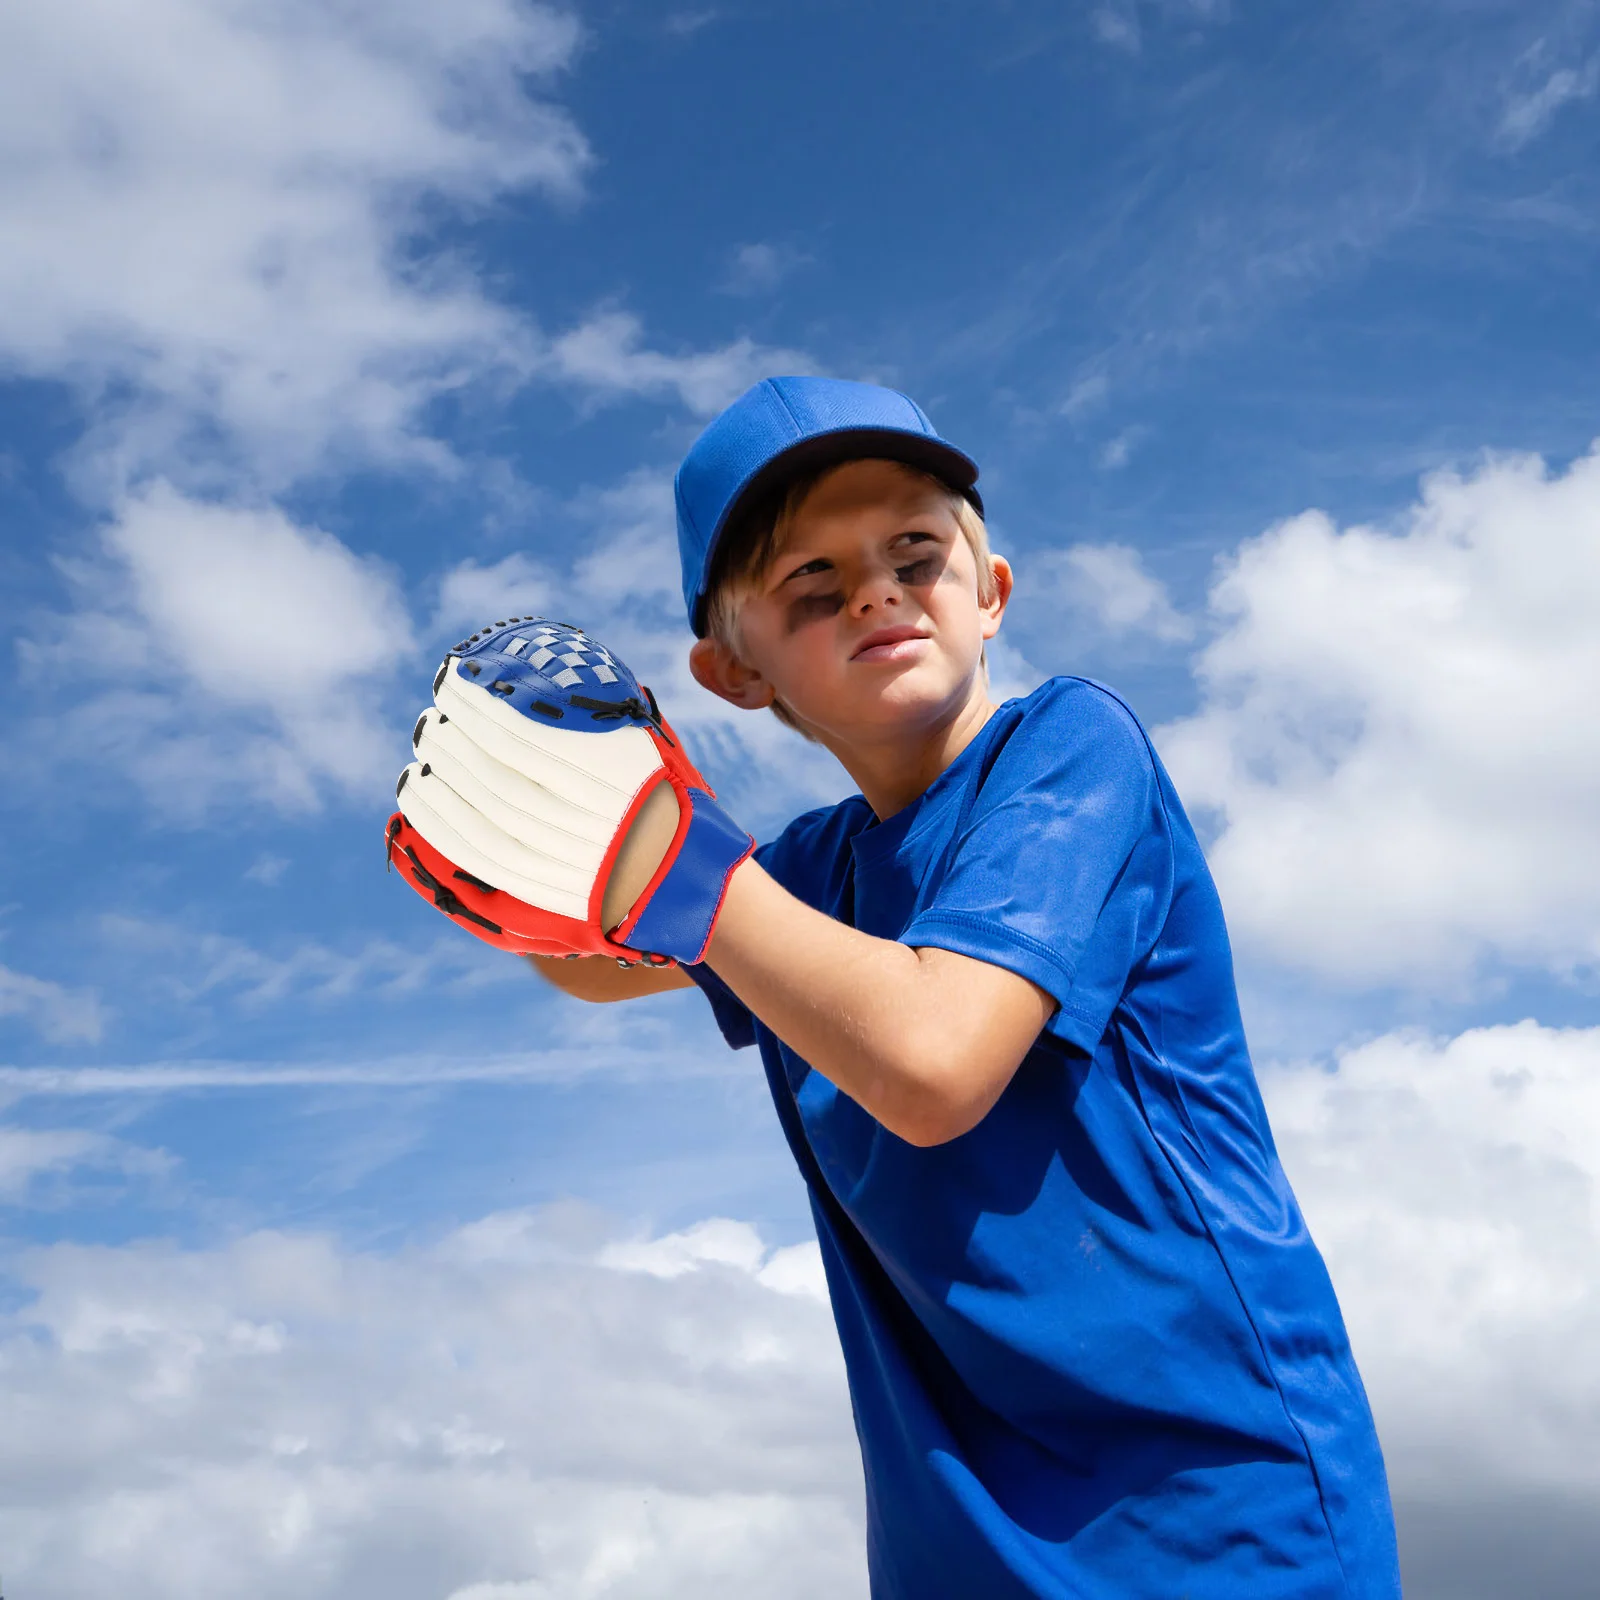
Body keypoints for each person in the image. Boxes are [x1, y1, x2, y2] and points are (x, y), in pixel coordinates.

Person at [533, 376, 1402, 1598]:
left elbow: (934, 1061)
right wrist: (538, 836)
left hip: (1211, 1525)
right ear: (734, 672)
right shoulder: (803, 874)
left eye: (915, 553)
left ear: (989, 595)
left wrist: (674, 862)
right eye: (812, 586)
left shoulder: (1069, 749)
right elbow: (588, 963)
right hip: (958, 1557)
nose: (877, 592)